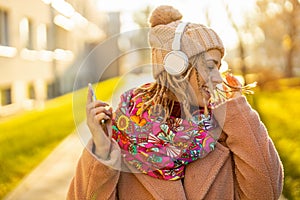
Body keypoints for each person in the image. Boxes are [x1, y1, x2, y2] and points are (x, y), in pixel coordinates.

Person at [68, 5, 283, 200]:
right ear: (175, 66)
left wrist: (240, 114)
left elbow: (268, 193)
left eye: (219, 67)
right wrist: (102, 152)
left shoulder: (227, 133)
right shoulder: (123, 137)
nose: (218, 78)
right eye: (209, 66)